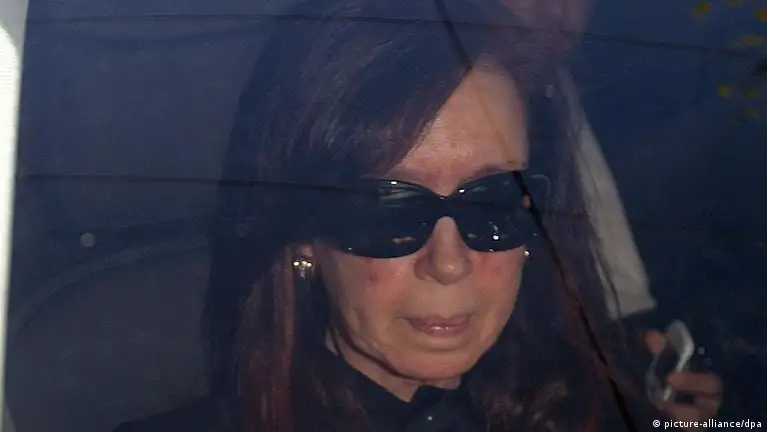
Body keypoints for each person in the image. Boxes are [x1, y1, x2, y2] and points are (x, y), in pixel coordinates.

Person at [115, 0, 723, 430]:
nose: (450, 262)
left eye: (491, 202)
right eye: (392, 209)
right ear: (304, 236)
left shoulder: (588, 404)